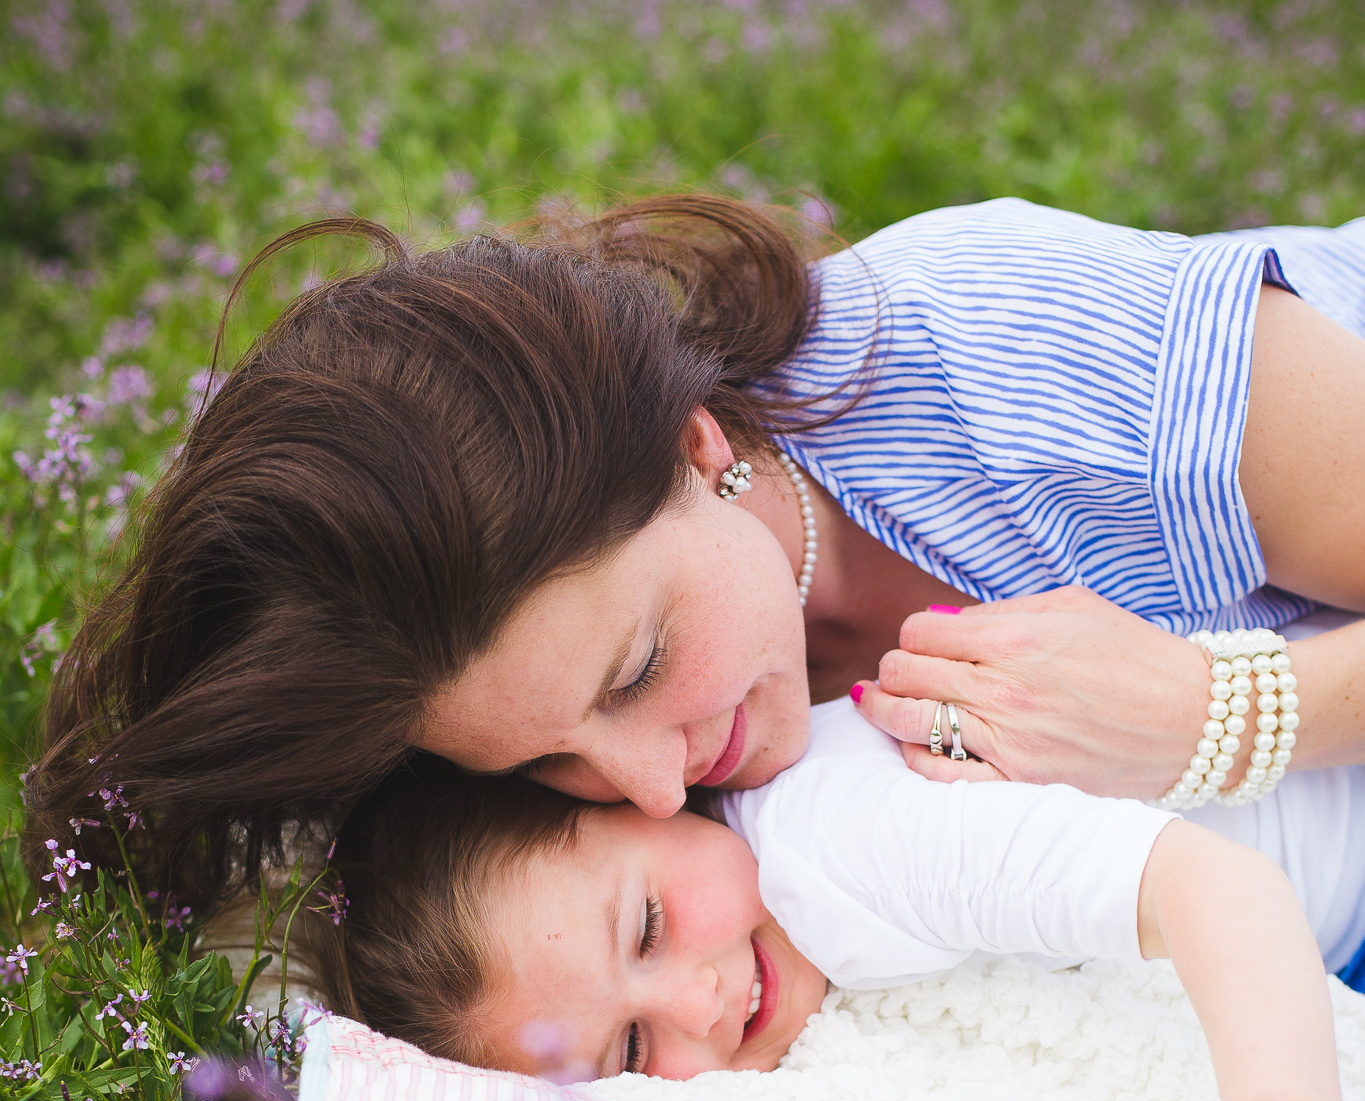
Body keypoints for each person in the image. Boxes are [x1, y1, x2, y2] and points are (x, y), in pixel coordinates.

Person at [24, 195, 1365, 915]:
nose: (652, 790)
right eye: (547, 762)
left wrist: (1228, 717)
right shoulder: (543, 709)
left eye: (634, 670)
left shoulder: (1010, 370)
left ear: (696, 445)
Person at [316, 699, 1365, 1101]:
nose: (702, 1003)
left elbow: (1214, 883)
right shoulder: (774, 905)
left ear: (646, 794)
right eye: (632, 1049)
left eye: (647, 927)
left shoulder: (838, 845)